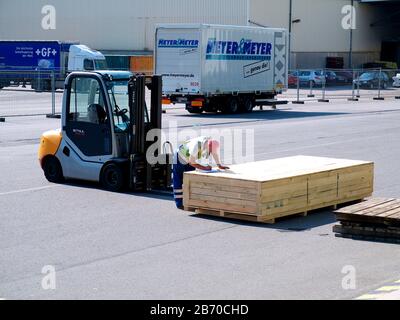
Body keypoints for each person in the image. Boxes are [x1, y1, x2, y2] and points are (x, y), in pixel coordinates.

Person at [173, 136, 230, 209]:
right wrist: (204, 168)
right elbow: (191, 162)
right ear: (208, 145)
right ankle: (179, 203)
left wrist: (219, 165)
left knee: (189, 179)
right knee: (179, 180)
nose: (209, 152)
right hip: (179, 157)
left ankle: (189, 201)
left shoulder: (210, 143)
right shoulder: (198, 145)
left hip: (188, 157)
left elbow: (215, 154)